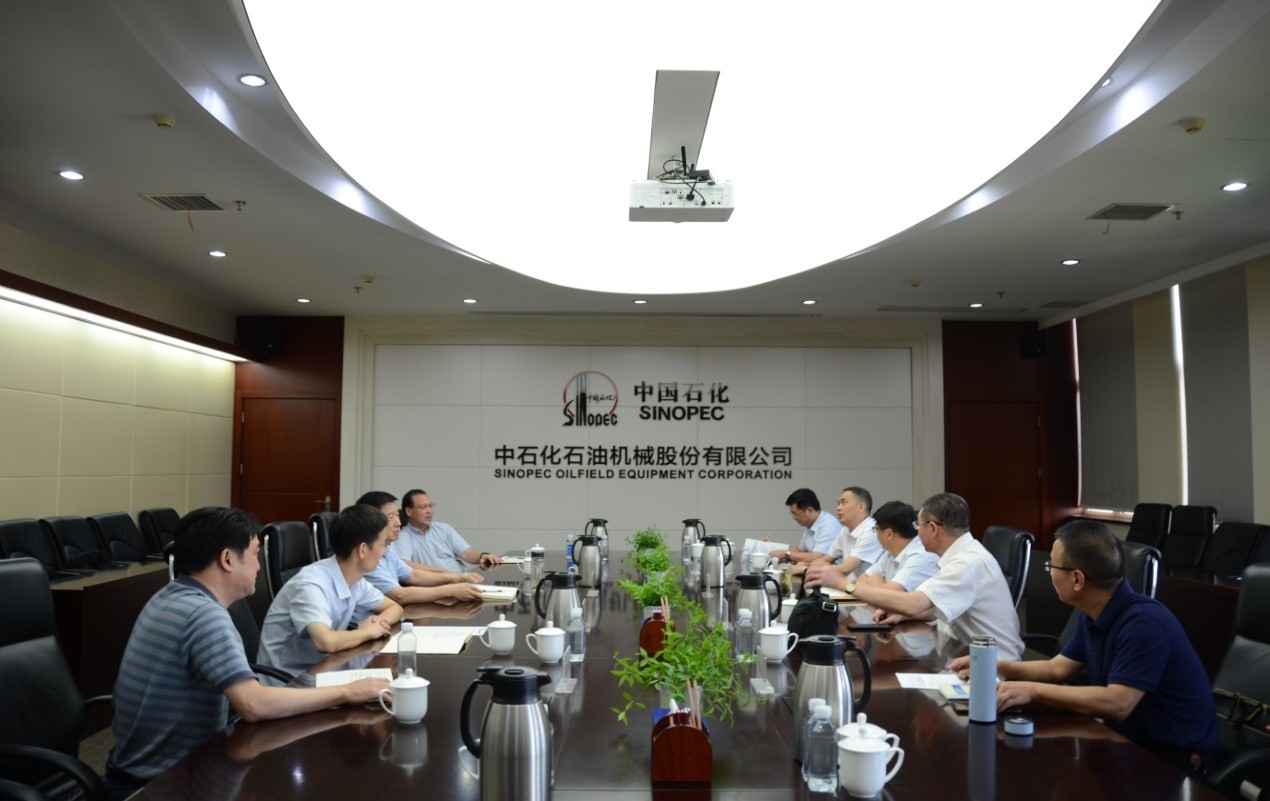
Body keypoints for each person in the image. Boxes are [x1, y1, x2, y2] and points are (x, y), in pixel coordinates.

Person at [106, 507, 388, 797]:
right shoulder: (204, 615)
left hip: (144, 767)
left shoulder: (170, 596)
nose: (259, 566)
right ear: (228, 559)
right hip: (163, 782)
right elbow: (254, 705)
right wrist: (348, 692)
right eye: (255, 554)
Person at [950, 520, 1219, 765]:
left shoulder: (1144, 624)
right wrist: (995, 665)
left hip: (1173, 757)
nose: (1049, 573)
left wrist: (1033, 691)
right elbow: (1057, 669)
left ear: (1077, 579)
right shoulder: (1094, 612)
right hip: (1127, 740)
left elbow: (1118, 703)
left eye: (1052, 566)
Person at [810, 492, 1023, 660]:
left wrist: (843, 583)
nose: (915, 532)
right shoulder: (960, 556)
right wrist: (902, 615)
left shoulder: (967, 563)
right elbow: (934, 608)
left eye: (917, 526)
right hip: (962, 655)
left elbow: (912, 603)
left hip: (993, 670)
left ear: (932, 529)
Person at [258, 505, 404, 677]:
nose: (384, 552)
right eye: (383, 544)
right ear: (363, 550)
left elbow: (395, 608)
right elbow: (325, 642)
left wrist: (378, 622)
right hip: (289, 679)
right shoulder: (311, 584)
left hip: (325, 668)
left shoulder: (354, 578)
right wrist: (368, 632)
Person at [356, 490, 487, 605]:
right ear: (371, 521)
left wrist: (455, 578)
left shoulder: (388, 549)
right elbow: (400, 596)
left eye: (397, 515)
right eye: (391, 517)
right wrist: (450, 590)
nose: (398, 523)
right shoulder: (366, 557)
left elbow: (413, 575)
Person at [823, 500, 937, 592]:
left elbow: (888, 596)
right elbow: (862, 580)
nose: (875, 533)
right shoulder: (890, 552)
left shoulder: (920, 555)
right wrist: (879, 585)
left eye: (876, 529)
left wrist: (876, 582)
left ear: (889, 534)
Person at [393, 489, 503, 572]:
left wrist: (482, 557)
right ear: (409, 511)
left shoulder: (443, 528)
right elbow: (405, 564)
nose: (429, 511)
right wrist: (440, 571)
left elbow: (466, 553)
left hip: (464, 579)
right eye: (423, 507)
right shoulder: (402, 535)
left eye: (431, 506)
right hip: (438, 586)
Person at [802, 487, 884, 582]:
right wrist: (806, 565)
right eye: (838, 503)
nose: (838, 508)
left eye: (843, 503)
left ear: (861, 507)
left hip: (867, 588)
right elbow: (826, 559)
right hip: (850, 586)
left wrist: (806, 569)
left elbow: (845, 569)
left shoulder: (872, 531)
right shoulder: (845, 529)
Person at [768, 488, 841, 564]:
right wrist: (772, 546)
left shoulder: (829, 525)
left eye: (795, 513)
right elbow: (800, 551)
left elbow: (817, 557)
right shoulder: (810, 524)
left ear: (809, 510)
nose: (794, 518)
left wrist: (786, 554)